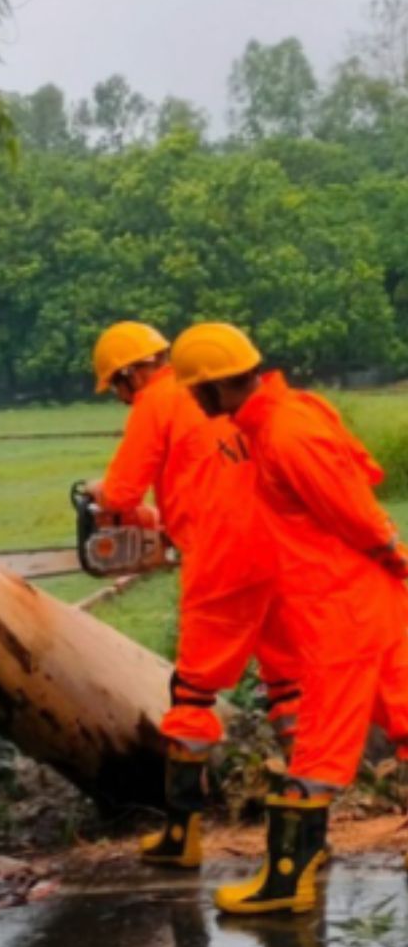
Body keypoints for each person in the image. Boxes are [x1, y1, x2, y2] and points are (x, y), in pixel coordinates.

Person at [170, 322, 408, 914]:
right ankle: (290, 873)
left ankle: (286, 881)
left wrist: (395, 557)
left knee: (319, 750)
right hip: (357, 600)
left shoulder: (284, 432)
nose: (195, 404)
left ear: (219, 387)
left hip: (341, 609)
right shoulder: (277, 419)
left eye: (198, 391)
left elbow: (354, 511)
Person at [89, 322, 299, 871]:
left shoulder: (156, 402)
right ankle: (306, 830)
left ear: (134, 372)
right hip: (276, 548)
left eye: (117, 384)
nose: (121, 395)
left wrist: (104, 498)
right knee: (288, 687)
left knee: (192, 695)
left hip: (221, 558)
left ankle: (184, 832)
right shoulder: (223, 390)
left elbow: (122, 491)